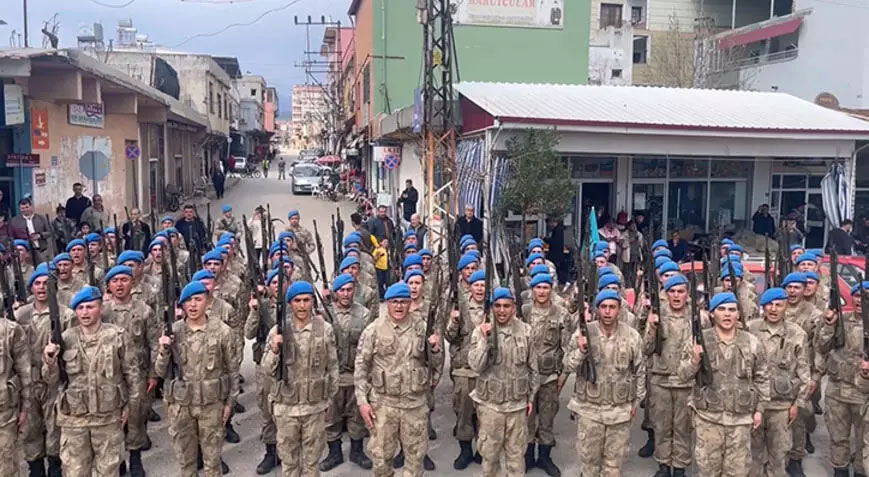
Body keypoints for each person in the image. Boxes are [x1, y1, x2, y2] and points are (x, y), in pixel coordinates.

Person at [42, 286, 140, 477]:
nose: (85, 312)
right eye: (80, 308)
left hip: (108, 417)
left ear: (101, 308)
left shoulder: (117, 335)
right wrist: (50, 361)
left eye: (90, 307)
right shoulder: (64, 339)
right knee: (75, 471)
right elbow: (51, 380)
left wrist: (130, 408)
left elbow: (133, 376)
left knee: (108, 470)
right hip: (74, 419)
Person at [354, 281, 443, 477]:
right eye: (394, 302)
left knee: (415, 458)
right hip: (384, 405)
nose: (399, 306)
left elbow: (436, 364)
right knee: (381, 459)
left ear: (411, 303)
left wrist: (435, 349)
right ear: (387, 303)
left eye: (404, 302)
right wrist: (362, 402)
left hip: (414, 404)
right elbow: (361, 367)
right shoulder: (373, 330)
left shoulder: (422, 328)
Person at [678, 292, 769, 477]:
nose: (727, 314)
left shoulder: (751, 343)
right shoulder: (699, 341)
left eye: (732, 310)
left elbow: (762, 378)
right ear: (712, 313)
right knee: (707, 470)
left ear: (738, 314)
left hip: (740, 421)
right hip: (708, 419)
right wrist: (694, 360)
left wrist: (760, 409)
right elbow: (682, 376)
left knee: (737, 471)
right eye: (721, 309)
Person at [156, 281, 239, 476]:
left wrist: (229, 404)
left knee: (212, 463)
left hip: (211, 406)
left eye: (198, 300)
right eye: (188, 301)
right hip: (181, 407)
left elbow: (232, 371)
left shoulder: (222, 331)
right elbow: (160, 372)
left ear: (207, 302)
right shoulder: (173, 332)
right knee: (186, 463)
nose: (193, 305)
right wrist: (164, 349)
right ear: (182, 305)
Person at [563, 289, 645, 476]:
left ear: (619, 309)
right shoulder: (583, 334)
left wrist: (636, 402)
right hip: (589, 411)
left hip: (619, 412)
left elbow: (640, 372)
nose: (608, 312)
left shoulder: (632, 336)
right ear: (597, 309)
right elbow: (567, 365)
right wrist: (581, 351)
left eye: (612, 307)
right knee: (589, 464)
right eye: (603, 307)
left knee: (613, 466)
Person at [264, 281, 339, 476]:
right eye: (297, 300)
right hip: (286, 408)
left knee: (311, 464)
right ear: (290, 304)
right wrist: (274, 349)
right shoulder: (278, 332)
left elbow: (332, 367)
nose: (302, 305)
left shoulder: (325, 329)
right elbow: (266, 370)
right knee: (289, 464)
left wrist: (329, 399)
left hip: (314, 407)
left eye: (306, 300)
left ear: (312, 301)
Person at [17, 263, 76, 477]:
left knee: (55, 425)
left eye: (46, 283)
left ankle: (55, 466)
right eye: (37, 283)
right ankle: (35, 467)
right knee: (31, 427)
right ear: (31, 287)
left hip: (54, 378)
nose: (42, 288)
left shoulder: (66, 314)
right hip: (29, 379)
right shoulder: (21, 314)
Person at [748, 287, 811, 477]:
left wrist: (797, 404)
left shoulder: (797, 334)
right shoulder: (751, 329)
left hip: (782, 405)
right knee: (753, 455)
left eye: (778, 305)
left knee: (778, 455)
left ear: (785, 307)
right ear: (763, 307)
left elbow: (804, 374)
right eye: (769, 305)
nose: (773, 309)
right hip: (754, 404)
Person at [643, 274, 701, 477]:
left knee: (683, 428)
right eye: (672, 292)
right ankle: (663, 465)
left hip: (686, 382)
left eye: (681, 291)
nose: (676, 296)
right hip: (661, 380)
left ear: (687, 294)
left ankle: (679, 466)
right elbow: (646, 349)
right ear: (666, 294)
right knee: (661, 427)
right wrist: (651, 327)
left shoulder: (697, 316)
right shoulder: (657, 315)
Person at [319, 273, 373, 471]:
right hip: (332, 376)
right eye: (342, 290)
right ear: (335, 292)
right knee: (331, 418)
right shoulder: (324, 314)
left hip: (355, 375)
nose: (346, 294)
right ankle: (334, 453)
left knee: (356, 416)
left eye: (349, 290)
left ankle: (357, 451)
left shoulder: (364, 314)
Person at [818, 282, 868, 477]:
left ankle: (860, 471)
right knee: (838, 437)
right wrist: (829, 326)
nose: (861, 301)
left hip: (864, 393)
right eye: (857, 296)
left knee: (865, 440)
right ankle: (840, 469)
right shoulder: (840, 320)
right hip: (837, 391)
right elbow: (822, 347)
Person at [522, 273, 569, 476]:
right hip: (526, 377)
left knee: (547, 419)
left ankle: (544, 458)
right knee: (527, 419)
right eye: (538, 287)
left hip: (550, 376)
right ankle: (528, 457)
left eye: (545, 287)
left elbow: (567, 346)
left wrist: (563, 375)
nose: (542, 291)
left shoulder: (561, 314)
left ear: (551, 289)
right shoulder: (523, 311)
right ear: (532, 289)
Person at [445, 270, 486, 469]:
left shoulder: (495, 307)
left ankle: (482, 449)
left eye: (483, 285)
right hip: (464, 369)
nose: (480, 288)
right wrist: (453, 321)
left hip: (486, 371)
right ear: (469, 286)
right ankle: (465, 450)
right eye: (476, 285)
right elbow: (449, 337)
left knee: (484, 415)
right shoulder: (460, 306)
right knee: (463, 412)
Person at [0, 286, 30, 477]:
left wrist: (25, 407)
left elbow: (24, 371)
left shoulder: (10, 330)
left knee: (7, 466)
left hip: (4, 412)